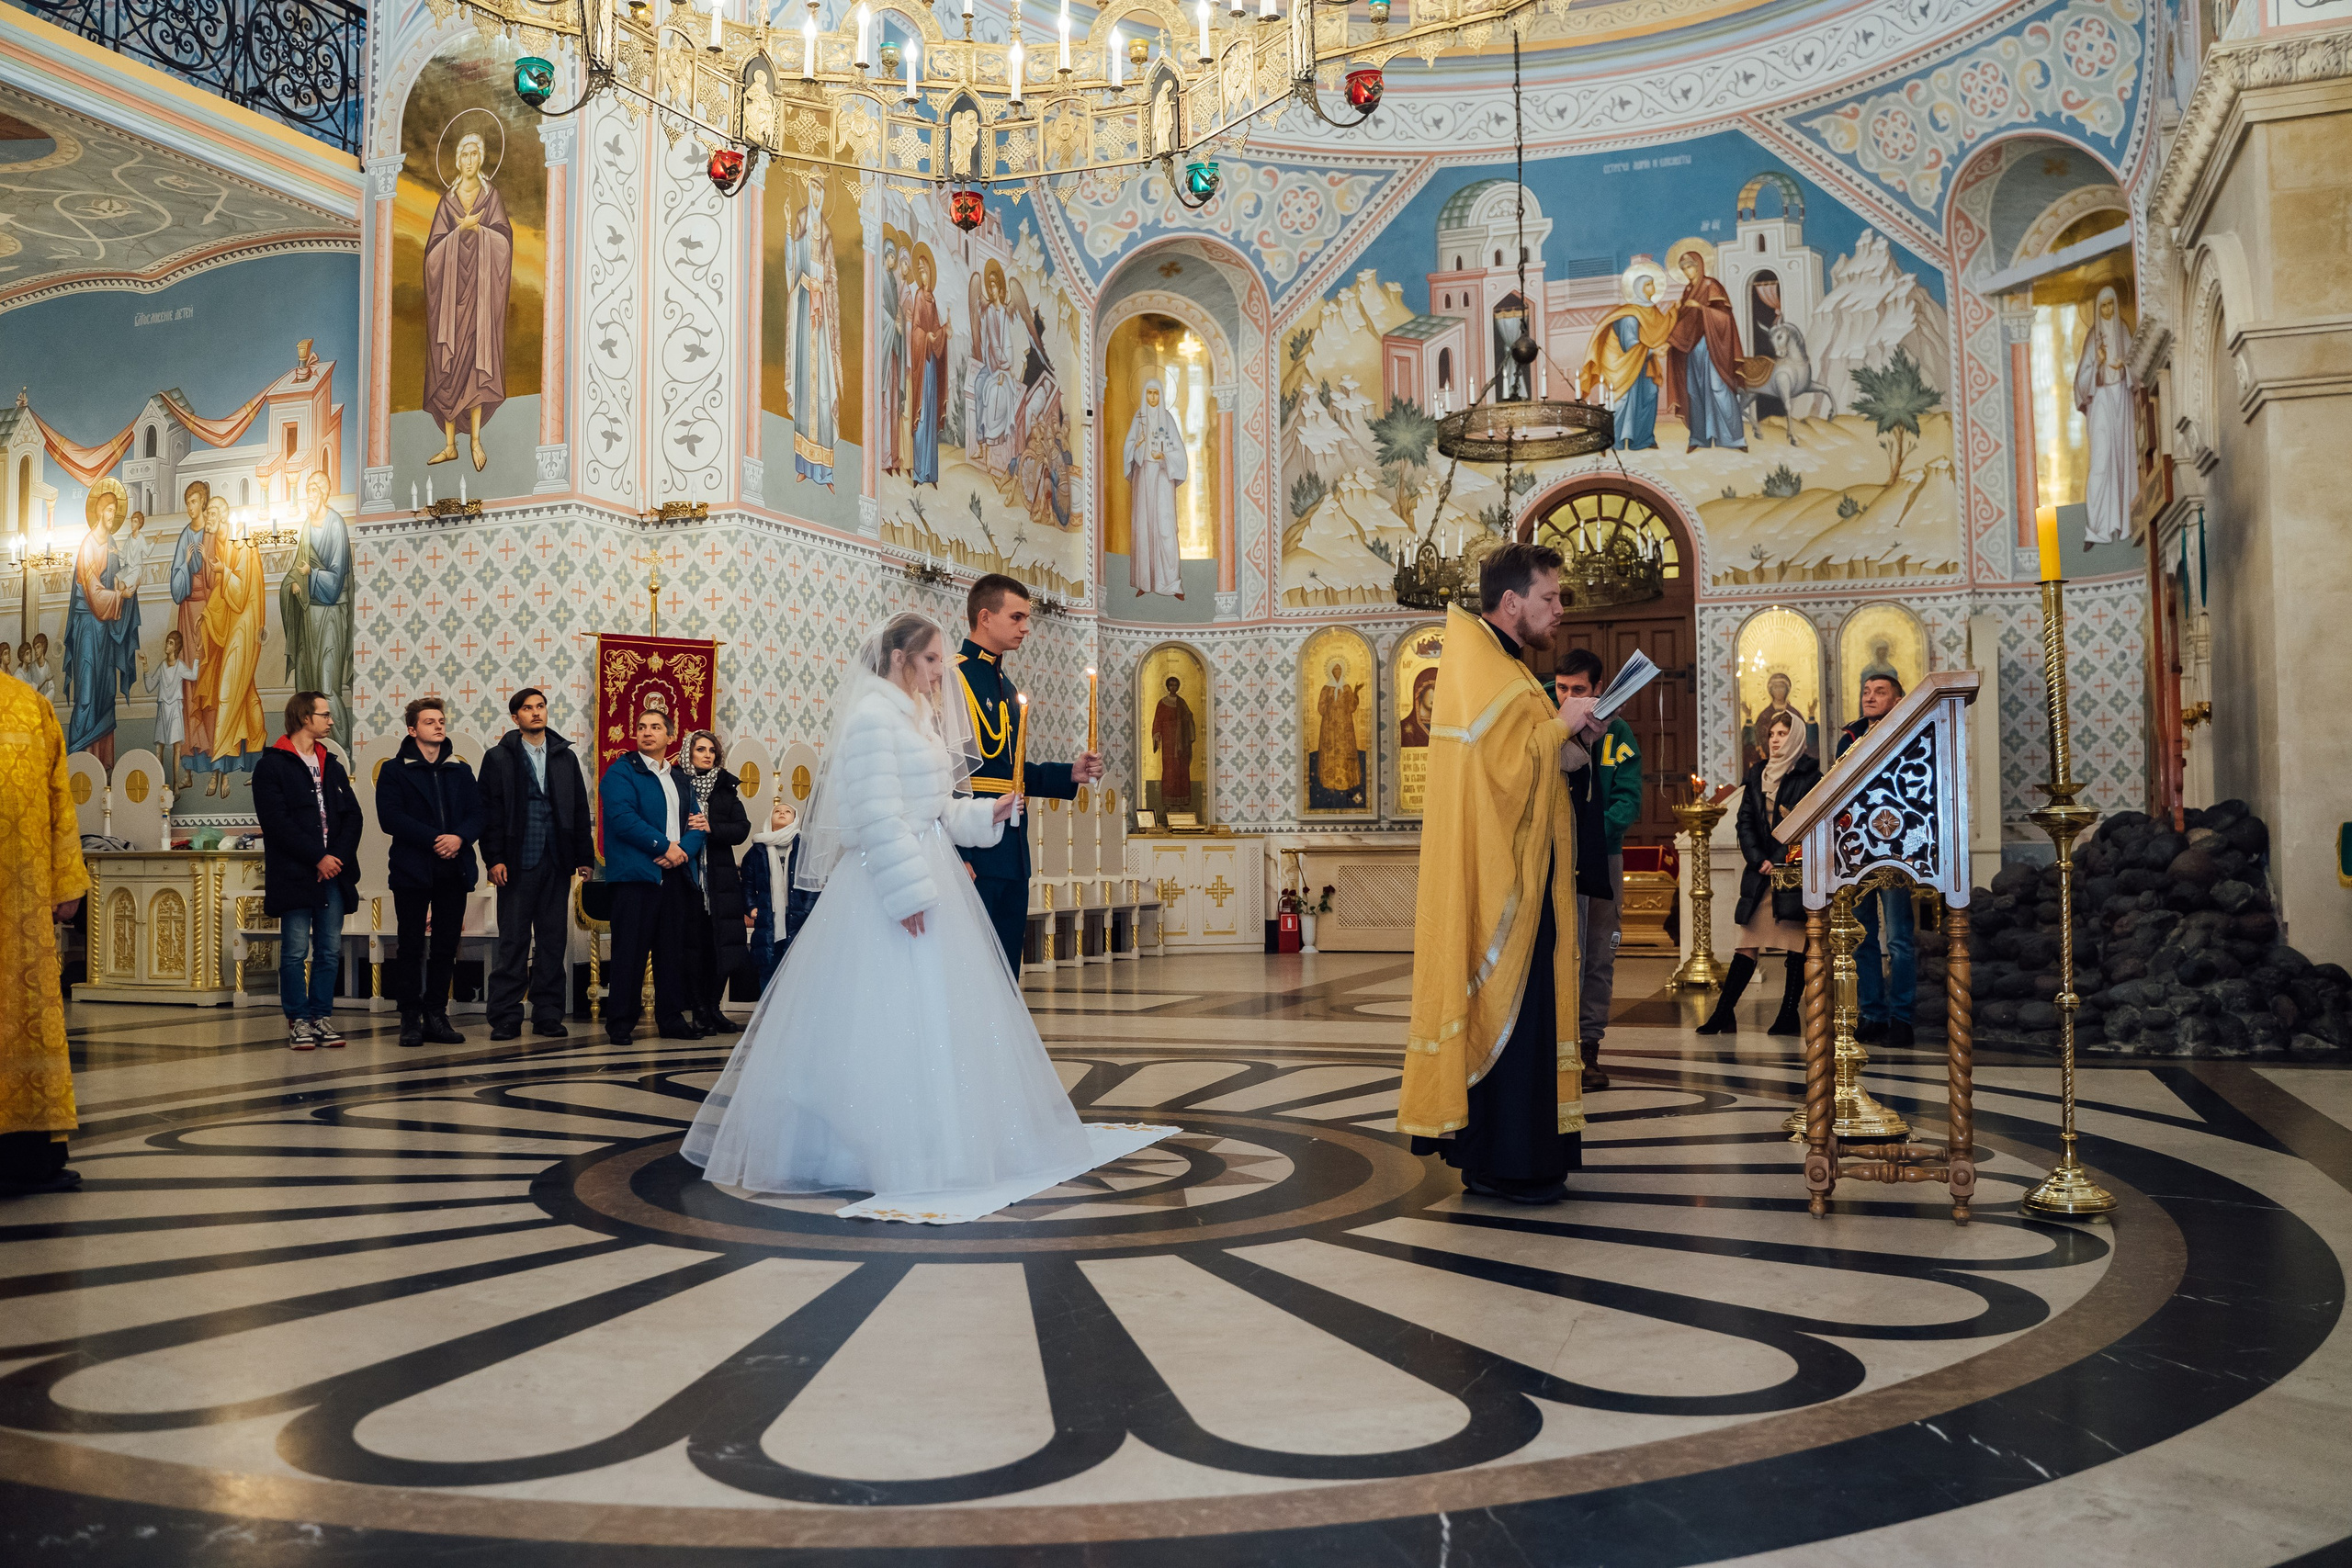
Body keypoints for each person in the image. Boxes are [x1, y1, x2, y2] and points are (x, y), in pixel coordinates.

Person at [682, 613, 1169, 1222]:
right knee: (883, 1012)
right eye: (933, 660)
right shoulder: (871, 719)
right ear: (899, 659)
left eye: (942, 659)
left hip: (931, 870)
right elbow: (878, 816)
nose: (942, 671)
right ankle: (862, 1148)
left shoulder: (919, 717)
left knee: (942, 1014)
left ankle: (945, 1137)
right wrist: (907, 893)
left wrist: (986, 816)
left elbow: (940, 808)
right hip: (888, 885)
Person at [1401, 543, 1592, 1205]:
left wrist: (1572, 740)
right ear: (1512, 603)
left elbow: (1525, 762)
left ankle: (1527, 1151)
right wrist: (1554, 732)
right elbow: (1503, 772)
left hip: (1524, 878)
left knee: (1532, 1015)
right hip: (1498, 886)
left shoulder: (1501, 665)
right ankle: (1505, 1158)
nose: (1559, 611)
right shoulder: (1487, 668)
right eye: (1550, 598)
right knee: (1512, 1015)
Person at [954, 574, 1104, 973]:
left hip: (1012, 849)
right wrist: (958, 852)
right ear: (985, 617)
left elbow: (1013, 773)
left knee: (1004, 967)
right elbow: (946, 772)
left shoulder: (1006, 685)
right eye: (1017, 617)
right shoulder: (954, 678)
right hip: (974, 845)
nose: (1026, 627)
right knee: (969, 965)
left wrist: (1070, 773)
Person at [0, 671, 91, 1196]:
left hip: (22, 902)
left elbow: (60, 801)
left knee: (27, 1018)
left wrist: (66, 884)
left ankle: (30, 1156)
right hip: (23, 898)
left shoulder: (32, 706)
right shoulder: (30, 704)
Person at [479, 688, 597, 1042]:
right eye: (528, 708)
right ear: (515, 718)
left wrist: (584, 857)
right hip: (517, 861)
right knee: (513, 941)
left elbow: (579, 809)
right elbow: (489, 813)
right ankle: (505, 1017)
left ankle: (548, 1015)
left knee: (552, 941)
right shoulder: (499, 757)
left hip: (556, 859)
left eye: (541, 706)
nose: (536, 713)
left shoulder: (564, 757)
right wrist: (494, 858)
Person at [252, 691, 363, 1050]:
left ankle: (321, 1016)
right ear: (304, 718)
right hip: (296, 872)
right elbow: (277, 823)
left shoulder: (331, 762)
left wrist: (335, 860)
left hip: (333, 872)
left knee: (329, 949)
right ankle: (298, 1019)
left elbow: (352, 816)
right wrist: (317, 857)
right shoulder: (272, 764)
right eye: (325, 715)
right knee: (296, 949)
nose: (331, 721)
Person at [1698, 711, 1820, 1036]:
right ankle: (1724, 1013)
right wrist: (1757, 858)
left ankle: (1787, 1015)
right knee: (1746, 944)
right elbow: (1745, 821)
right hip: (1761, 873)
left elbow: (1806, 826)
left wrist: (1778, 860)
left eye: (1783, 733)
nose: (1776, 739)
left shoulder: (1810, 776)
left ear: (1795, 738)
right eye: (1772, 734)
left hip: (1792, 874)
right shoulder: (1756, 773)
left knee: (1796, 944)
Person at [1555, 649, 1642, 1090]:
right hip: (1552, 860)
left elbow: (1628, 798)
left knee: (1596, 956)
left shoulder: (1618, 732)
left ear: (1598, 690)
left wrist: (1591, 835)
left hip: (1601, 857)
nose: (1569, 698)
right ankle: (1553, 1048)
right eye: (1562, 689)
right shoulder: (1549, 729)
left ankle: (1588, 1049)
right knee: (1552, 954)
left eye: (1579, 690)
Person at [376, 697, 482, 1049]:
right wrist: (436, 839)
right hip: (413, 868)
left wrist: (460, 838)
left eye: (441, 721)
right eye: (429, 721)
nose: (438, 726)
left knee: (445, 946)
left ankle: (437, 1015)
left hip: (453, 867)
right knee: (409, 946)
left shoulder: (460, 770)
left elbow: (478, 815)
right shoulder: (395, 770)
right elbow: (390, 817)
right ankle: (409, 1017)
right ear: (412, 729)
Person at [600, 707, 707, 1043]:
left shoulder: (680, 779)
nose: (648, 732)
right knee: (629, 953)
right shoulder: (621, 773)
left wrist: (682, 851)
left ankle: (672, 1019)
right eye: (642, 727)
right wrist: (663, 846)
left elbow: (698, 823)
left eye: (656, 727)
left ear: (670, 736)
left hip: (675, 876)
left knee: (672, 952)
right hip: (636, 877)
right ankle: (620, 1023)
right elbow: (622, 818)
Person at [424, 129, 514, 472]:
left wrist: (480, 231)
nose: (469, 161)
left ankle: (475, 440)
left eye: (475, 154)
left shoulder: (492, 198)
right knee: (447, 366)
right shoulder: (447, 202)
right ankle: (449, 445)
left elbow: (504, 241)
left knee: (477, 363)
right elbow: (432, 252)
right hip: (449, 301)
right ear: (456, 160)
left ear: (483, 158)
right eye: (464, 155)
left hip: (480, 295)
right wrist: (459, 231)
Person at [1839, 672, 1915, 1047]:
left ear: (1898, 700)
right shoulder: (1850, 738)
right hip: (1856, 845)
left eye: (1880, 692)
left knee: (1899, 938)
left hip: (1896, 846)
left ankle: (1902, 1017)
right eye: (1866, 691)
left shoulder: (1909, 735)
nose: (1870, 697)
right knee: (1863, 935)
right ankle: (1872, 1013)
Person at [64, 479, 141, 768]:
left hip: (106, 630)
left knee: (105, 691)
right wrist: (119, 595)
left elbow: (118, 579)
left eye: (115, 511)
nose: (112, 516)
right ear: (99, 513)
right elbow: (94, 593)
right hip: (88, 627)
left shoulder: (111, 545)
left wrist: (130, 583)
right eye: (109, 511)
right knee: (86, 693)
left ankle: (102, 765)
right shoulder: (88, 546)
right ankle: (80, 765)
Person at [680, 729, 751, 1034]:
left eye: (712, 750)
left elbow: (741, 828)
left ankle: (713, 1008)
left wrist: (712, 827)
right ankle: (697, 1010)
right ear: (689, 754)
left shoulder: (726, 788)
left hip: (720, 881)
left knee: (719, 947)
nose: (707, 755)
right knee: (692, 947)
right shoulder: (678, 785)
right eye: (700, 749)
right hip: (688, 878)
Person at [195, 500, 266, 797]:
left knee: (227, 694)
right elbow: (222, 599)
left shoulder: (243, 544)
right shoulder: (221, 546)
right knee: (246, 694)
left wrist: (224, 570)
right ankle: (261, 765)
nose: (206, 517)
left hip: (246, 624)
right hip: (232, 624)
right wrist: (207, 618)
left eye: (211, 512)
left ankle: (218, 769)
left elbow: (239, 595)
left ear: (223, 516)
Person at [279, 470, 355, 748]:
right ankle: (313, 752)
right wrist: (294, 585)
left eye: (314, 489)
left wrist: (310, 577)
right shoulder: (307, 527)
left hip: (331, 615)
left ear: (323, 494)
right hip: (309, 616)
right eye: (307, 489)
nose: (309, 494)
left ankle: (344, 754)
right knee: (307, 689)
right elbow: (298, 570)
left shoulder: (335, 523)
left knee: (327, 687)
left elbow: (335, 581)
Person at [1666, 248, 1747, 451]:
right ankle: (1698, 438)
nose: (1687, 272)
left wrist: (1701, 309)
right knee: (1694, 391)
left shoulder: (1712, 286)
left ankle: (1734, 439)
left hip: (1712, 345)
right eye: (1683, 268)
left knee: (1719, 389)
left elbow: (1725, 317)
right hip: (1691, 349)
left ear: (1699, 266)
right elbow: (1686, 322)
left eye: (1690, 267)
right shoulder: (1687, 292)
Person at [2076, 284, 2134, 547]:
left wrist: (2126, 366)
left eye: (2111, 304)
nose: (2108, 310)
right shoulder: (2092, 338)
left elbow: (2138, 365)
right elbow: (2080, 382)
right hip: (2100, 400)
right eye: (2103, 305)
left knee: (2122, 459)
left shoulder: (2123, 330)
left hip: (2121, 396)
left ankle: (2123, 523)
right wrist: (2099, 361)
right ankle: (2096, 528)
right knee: (2100, 461)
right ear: (2097, 309)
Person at [1124, 378, 1189, 598]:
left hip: (1162, 478)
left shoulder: (1168, 419)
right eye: (1149, 393)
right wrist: (1139, 447)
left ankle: (1171, 583)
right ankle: (1146, 581)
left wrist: (1164, 457)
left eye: (1156, 393)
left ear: (1161, 396)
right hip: (1143, 478)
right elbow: (1129, 449)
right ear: (1144, 395)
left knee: (1165, 527)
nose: (1152, 398)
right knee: (1144, 527)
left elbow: (1179, 453)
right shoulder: (1139, 418)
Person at [740, 796, 802, 991]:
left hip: (797, 915)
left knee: (796, 966)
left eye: (787, 811)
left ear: (795, 819)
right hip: (768, 916)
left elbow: (812, 883)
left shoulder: (803, 847)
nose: (782, 813)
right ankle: (767, 1016)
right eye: (777, 811)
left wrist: (808, 908)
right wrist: (751, 907)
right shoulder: (757, 849)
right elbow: (747, 883)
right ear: (770, 818)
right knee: (768, 964)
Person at [142, 631, 198, 792]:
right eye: (167, 642)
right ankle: (161, 784)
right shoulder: (162, 666)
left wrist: (197, 657)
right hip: (162, 709)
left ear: (176, 647)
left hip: (174, 709)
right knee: (159, 748)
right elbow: (150, 686)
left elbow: (194, 676)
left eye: (171, 643)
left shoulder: (180, 666)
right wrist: (145, 667)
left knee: (176, 748)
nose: (167, 645)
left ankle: (174, 784)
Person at [1149, 674, 1196, 814]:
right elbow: (1157, 721)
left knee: (1182, 771)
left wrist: (1187, 720)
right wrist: (1157, 735)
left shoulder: (1182, 702)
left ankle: (1182, 804)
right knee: (1169, 771)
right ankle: (1168, 804)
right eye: (1171, 685)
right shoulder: (1162, 703)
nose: (1173, 687)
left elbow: (1189, 717)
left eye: (1175, 685)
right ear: (1167, 687)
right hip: (1169, 743)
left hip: (1181, 742)